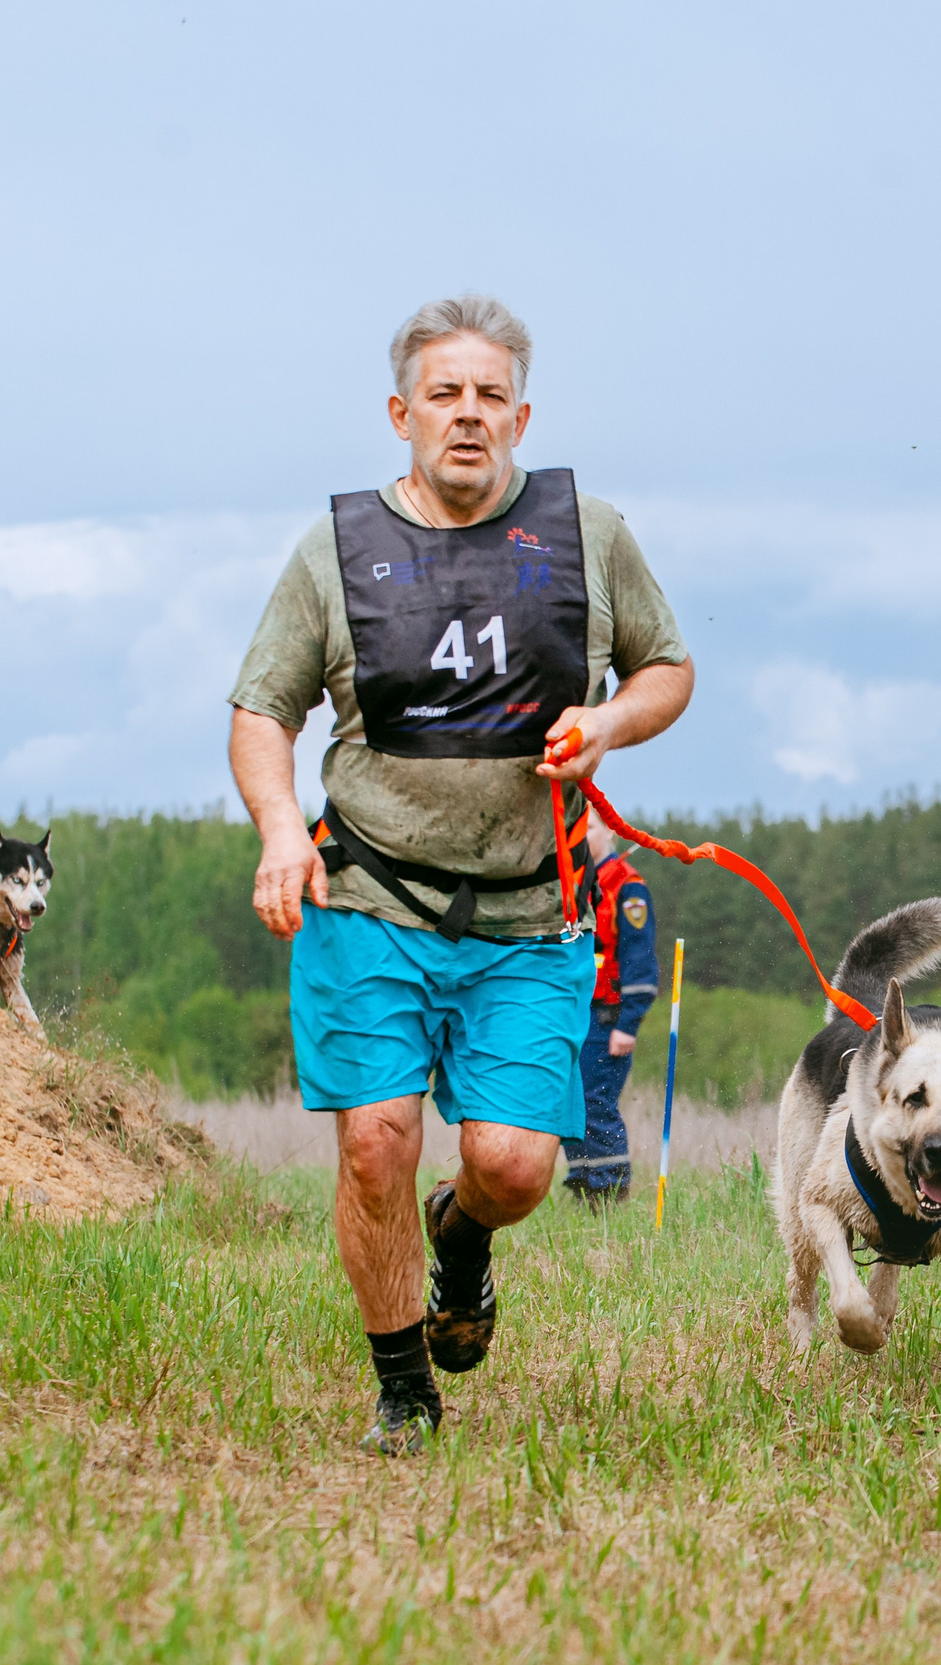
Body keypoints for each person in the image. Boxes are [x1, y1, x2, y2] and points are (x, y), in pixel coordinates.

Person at [227, 295, 694, 1455]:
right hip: (369, 891)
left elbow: (669, 669)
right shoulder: (333, 551)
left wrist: (608, 723)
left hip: (532, 911)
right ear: (402, 413)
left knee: (515, 1164)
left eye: (491, 396)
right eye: (445, 394)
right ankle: (402, 1389)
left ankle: (466, 1238)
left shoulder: (590, 530)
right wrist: (283, 829)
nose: (468, 416)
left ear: (521, 414)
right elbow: (259, 710)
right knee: (375, 1136)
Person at [562, 824, 658, 1205]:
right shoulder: (575, 882)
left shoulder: (628, 888)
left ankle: (610, 1188)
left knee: (595, 1100)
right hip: (575, 1012)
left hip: (608, 1017)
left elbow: (640, 959)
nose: (580, 836)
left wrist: (629, 1023)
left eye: (587, 828)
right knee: (572, 1100)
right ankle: (584, 1180)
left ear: (607, 834)